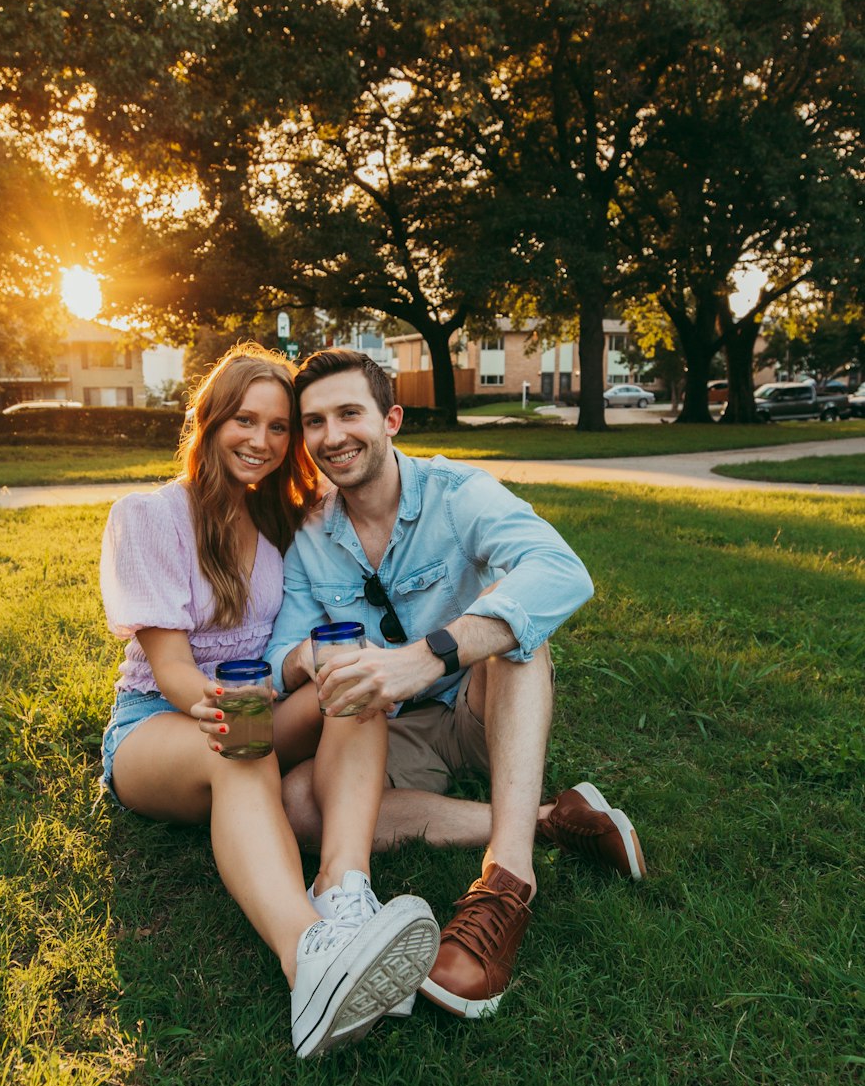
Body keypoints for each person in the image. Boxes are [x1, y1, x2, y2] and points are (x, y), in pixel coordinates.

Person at [260, 349, 647, 1020]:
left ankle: (506, 883)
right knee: (298, 805)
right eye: (313, 422)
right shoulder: (310, 535)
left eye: (349, 413)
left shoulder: (458, 492)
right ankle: (557, 820)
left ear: (392, 420)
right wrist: (309, 657)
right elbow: (274, 662)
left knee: (516, 626)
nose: (332, 437)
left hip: (483, 711)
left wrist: (432, 654)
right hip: (397, 730)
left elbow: (562, 572)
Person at [98, 344, 440, 1058]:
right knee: (241, 741)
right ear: (210, 420)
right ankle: (309, 960)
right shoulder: (150, 516)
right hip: (159, 728)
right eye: (244, 421)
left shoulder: (290, 520)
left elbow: (388, 509)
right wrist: (232, 707)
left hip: (259, 706)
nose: (261, 440)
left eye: (279, 427)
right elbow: (172, 671)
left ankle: (344, 895)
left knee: (354, 685)